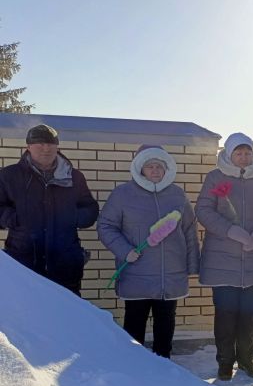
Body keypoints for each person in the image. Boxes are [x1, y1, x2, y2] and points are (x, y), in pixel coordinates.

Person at [97, 145, 200, 358]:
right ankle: (134, 365)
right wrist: (125, 251)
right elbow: (106, 226)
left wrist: (192, 264)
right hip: (137, 274)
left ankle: (164, 364)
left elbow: (189, 229)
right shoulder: (123, 194)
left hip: (170, 275)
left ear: (166, 169)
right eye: (149, 166)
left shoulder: (177, 195)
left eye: (159, 166)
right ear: (140, 169)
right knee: (134, 324)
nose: (154, 170)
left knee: (166, 323)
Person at [196, 133, 253, 381]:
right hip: (223, 261)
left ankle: (246, 360)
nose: (244, 158)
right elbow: (203, 209)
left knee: (249, 314)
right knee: (225, 313)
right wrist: (231, 231)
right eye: (238, 153)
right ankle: (225, 362)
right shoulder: (215, 177)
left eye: (247, 153)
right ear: (229, 154)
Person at [0, 124, 98, 295]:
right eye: (40, 144)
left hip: (65, 266)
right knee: (28, 317)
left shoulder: (74, 176)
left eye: (50, 144)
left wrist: (74, 217)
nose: (46, 148)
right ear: (28, 147)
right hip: (23, 263)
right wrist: (14, 218)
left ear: (57, 146)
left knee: (66, 316)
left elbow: (90, 208)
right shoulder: (9, 175)